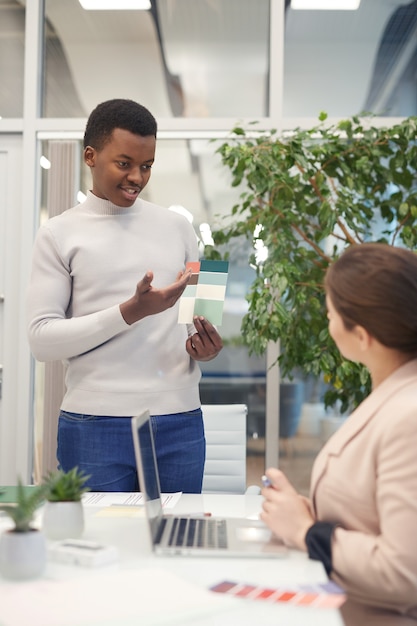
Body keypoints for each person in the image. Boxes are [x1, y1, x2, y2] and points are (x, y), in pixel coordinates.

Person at [27, 98, 223, 493]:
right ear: (90, 156)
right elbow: (41, 341)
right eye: (124, 163)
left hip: (180, 419)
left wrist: (208, 347)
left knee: (176, 544)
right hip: (93, 424)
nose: (137, 176)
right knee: (102, 546)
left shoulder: (180, 228)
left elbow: (203, 317)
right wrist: (130, 311)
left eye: (147, 165)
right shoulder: (57, 234)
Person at [261, 243, 417, 625]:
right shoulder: (394, 391)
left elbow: (405, 571)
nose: (328, 326)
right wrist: (304, 513)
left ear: (362, 336)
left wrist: (308, 532)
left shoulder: (408, 416)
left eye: (331, 315)